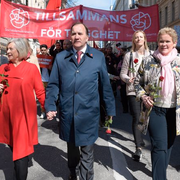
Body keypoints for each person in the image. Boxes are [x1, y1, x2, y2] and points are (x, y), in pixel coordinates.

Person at [45, 22, 116, 180]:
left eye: (80, 33)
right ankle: (72, 171)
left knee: (87, 155)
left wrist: (110, 110)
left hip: (89, 115)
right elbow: (53, 84)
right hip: (68, 114)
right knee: (72, 151)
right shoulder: (61, 58)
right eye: (74, 33)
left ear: (87, 37)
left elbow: (105, 85)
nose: (76, 36)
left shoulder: (97, 57)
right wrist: (50, 105)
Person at [134, 27, 180, 180]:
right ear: (157, 42)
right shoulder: (148, 61)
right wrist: (143, 96)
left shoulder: (179, 61)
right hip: (155, 110)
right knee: (159, 147)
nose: (164, 44)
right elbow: (136, 82)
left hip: (175, 111)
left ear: (174, 43)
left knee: (168, 146)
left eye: (167, 41)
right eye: (161, 41)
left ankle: (161, 174)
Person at [0, 38, 45, 180]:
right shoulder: (2, 68)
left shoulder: (31, 69)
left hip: (24, 115)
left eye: (10, 48)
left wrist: (48, 108)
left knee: (20, 152)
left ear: (20, 50)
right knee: (14, 148)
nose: (7, 51)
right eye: (7, 49)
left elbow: (40, 91)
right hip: (7, 115)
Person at [120, 30, 152, 161]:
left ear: (144, 39)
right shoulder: (129, 55)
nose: (138, 39)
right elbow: (122, 73)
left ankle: (149, 141)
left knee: (149, 118)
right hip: (133, 90)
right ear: (133, 40)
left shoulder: (152, 55)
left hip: (149, 91)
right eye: (136, 37)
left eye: (141, 37)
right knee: (137, 117)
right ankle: (138, 147)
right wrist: (128, 79)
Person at [39, 44, 51, 119]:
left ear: (47, 50)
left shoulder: (50, 58)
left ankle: (49, 111)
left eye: (44, 50)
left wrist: (50, 67)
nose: (43, 52)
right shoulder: (38, 58)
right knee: (42, 97)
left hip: (49, 80)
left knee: (49, 97)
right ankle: (43, 111)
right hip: (41, 80)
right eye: (42, 50)